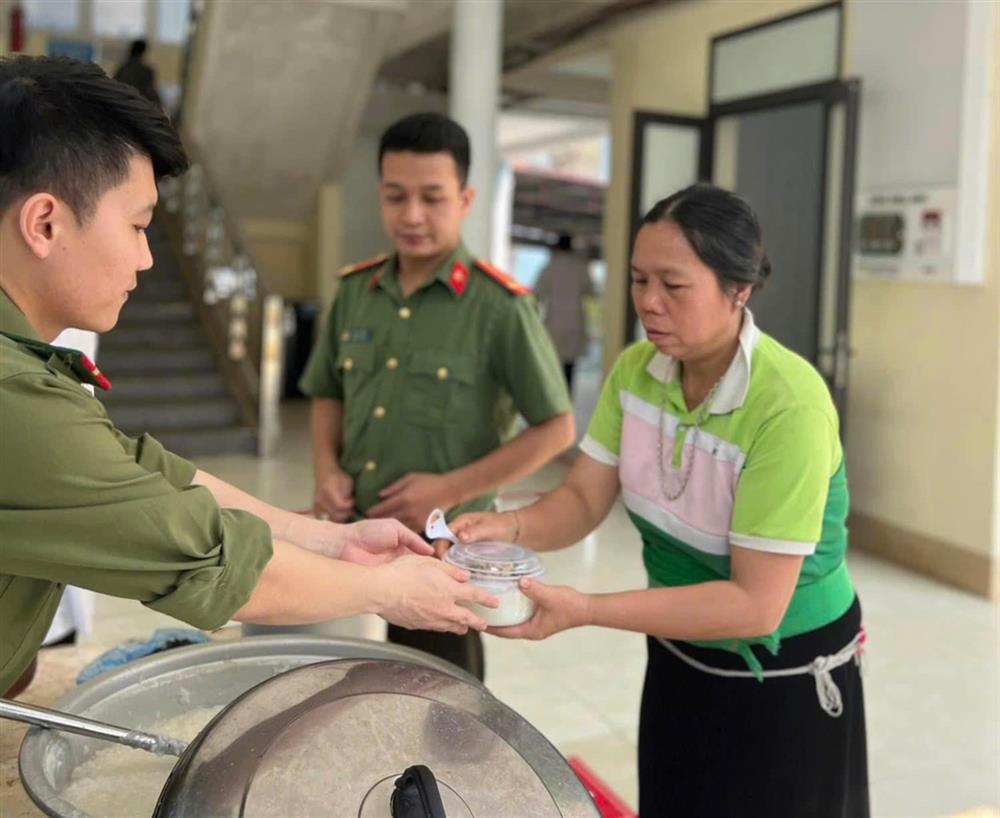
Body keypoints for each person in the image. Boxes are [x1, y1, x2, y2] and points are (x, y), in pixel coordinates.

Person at [0, 56, 498, 699]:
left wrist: (333, 539)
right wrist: (386, 589)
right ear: (44, 223)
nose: (148, 257)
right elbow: (204, 556)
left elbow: (143, 470)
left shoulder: (28, 375)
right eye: (139, 226)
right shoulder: (15, 398)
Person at [451, 184, 870, 816]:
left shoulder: (789, 406)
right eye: (638, 280)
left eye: (674, 287)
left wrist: (585, 607)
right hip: (678, 647)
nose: (649, 303)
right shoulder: (636, 370)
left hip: (786, 675)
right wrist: (506, 527)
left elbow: (756, 605)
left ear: (739, 288)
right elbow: (582, 499)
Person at [299, 112, 574, 680]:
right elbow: (327, 392)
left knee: (439, 701)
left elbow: (557, 429)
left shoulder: (500, 308)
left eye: (432, 197)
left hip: (440, 551)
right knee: (340, 689)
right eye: (396, 197)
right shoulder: (356, 292)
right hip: (355, 536)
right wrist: (326, 468)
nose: (412, 215)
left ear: (466, 198)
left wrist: (450, 490)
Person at [533, 233, 596, 393]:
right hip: (574, 323)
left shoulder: (549, 267)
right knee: (569, 368)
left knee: (552, 365)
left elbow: (536, 294)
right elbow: (591, 291)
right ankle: (567, 402)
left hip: (554, 323)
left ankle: (554, 400)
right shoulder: (580, 266)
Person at [112, 39, 161, 107]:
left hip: (120, 106)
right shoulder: (146, 71)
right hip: (138, 108)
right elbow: (150, 91)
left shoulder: (122, 69)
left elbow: (113, 87)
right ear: (143, 52)